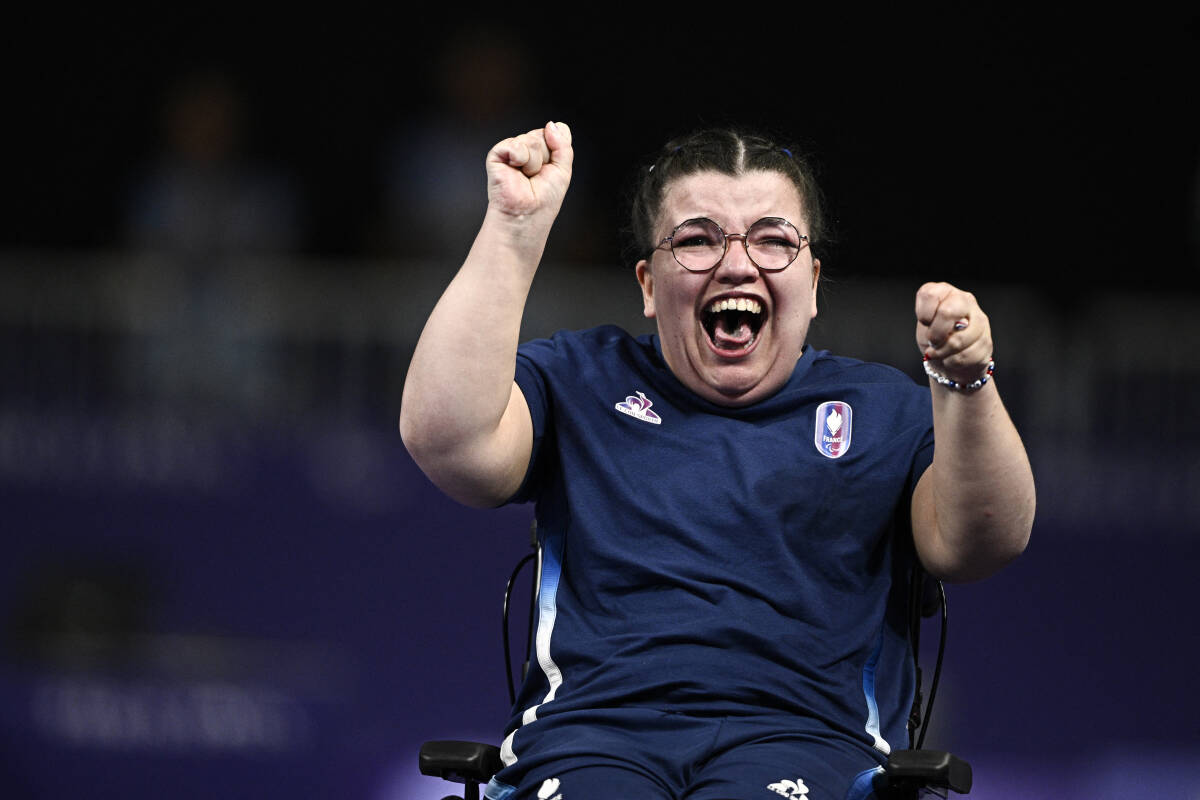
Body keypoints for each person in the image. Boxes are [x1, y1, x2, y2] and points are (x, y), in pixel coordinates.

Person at [400, 121, 1035, 800]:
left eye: (772, 240)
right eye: (698, 240)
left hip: (808, 745)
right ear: (648, 283)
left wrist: (966, 383)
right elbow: (449, 442)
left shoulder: (883, 409)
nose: (737, 264)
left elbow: (984, 542)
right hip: (589, 743)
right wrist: (513, 229)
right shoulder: (579, 379)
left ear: (813, 282)